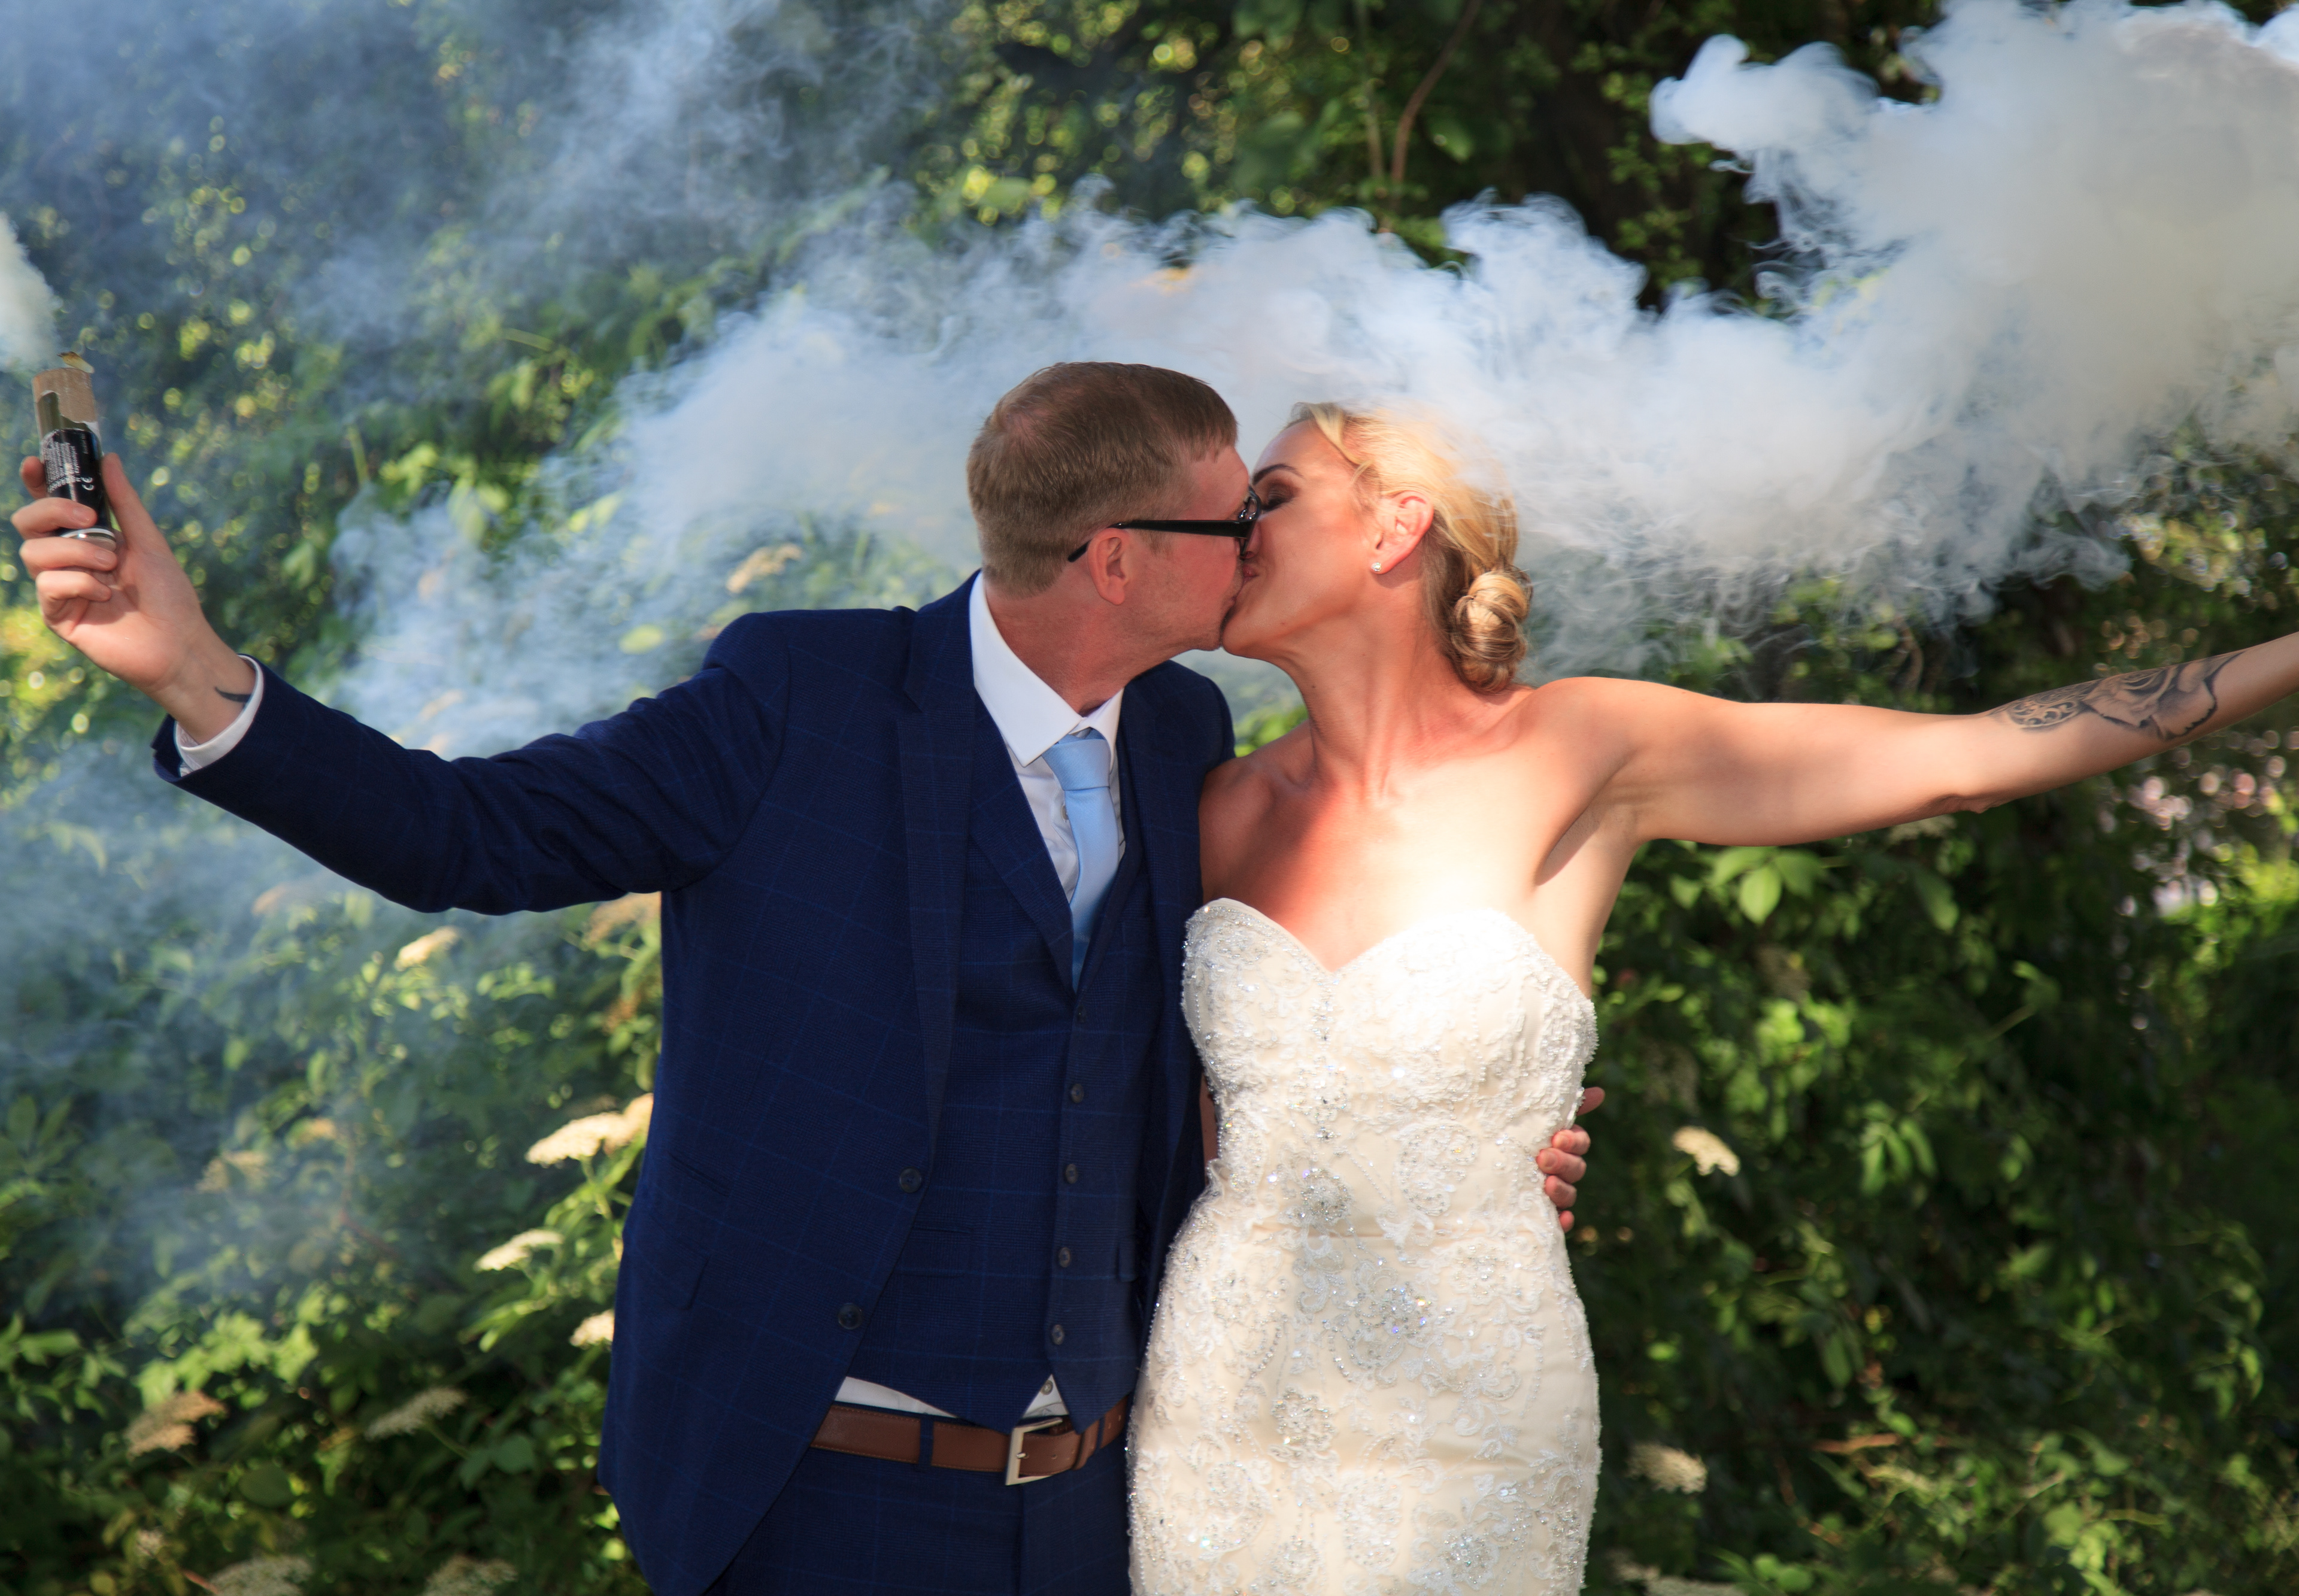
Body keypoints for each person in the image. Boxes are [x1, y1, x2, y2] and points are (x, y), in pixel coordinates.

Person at [10, 365, 1598, 1596]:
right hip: (817, 1501)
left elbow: (1183, 1065)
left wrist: (1435, 1149)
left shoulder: (1188, 733)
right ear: (1117, 558)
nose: (1259, 541)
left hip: (1112, 1508)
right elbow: (466, 834)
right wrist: (193, 668)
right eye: (1231, 518)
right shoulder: (794, 698)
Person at [1123, 400, 2299, 1595]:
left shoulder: (1582, 746)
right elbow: (1184, 1115)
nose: (1235, 526)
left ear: (1396, 526)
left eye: (1271, 497)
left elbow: (1964, 763)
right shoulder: (1218, 808)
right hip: (1223, 1408)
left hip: (1467, 1417)